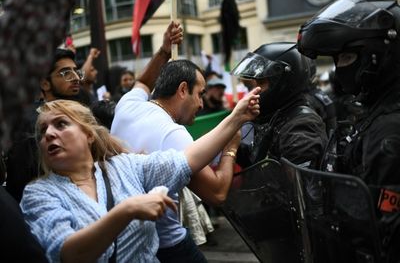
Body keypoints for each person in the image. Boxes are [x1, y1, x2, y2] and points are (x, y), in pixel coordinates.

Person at [20, 83, 260, 262]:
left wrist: (237, 117)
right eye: (43, 131)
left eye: (61, 124)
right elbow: (68, 254)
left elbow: (187, 159)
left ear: (89, 134)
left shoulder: (125, 166)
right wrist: (126, 210)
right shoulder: (38, 194)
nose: (49, 134)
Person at [297, 0, 400, 261]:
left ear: (379, 56)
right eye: (337, 58)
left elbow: (386, 235)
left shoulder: (388, 130)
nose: (339, 67)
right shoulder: (373, 110)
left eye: (348, 56)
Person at [111, 59, 241, 262]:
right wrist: (230, 149)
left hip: (125, 241)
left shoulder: (127, 104)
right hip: (167, 246)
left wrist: (164, 49)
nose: (201, 103)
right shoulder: (173, 134)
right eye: (200, 94)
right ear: (182, 90)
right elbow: (217, 193)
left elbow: (143, 81)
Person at [6, 48, 86, 202]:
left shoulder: (81, 113)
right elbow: (21, 180)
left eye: (76, 72)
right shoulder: (31, 123)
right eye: (65, 73)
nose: (76, 78)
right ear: (44, 83)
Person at [232, 42, 327, 169]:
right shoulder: (278, 116)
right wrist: (234, 144)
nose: (255, 90)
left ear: (283, 82)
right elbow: (256, 161)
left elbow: (296, 185)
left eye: (261, 82)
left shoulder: (301, 127)